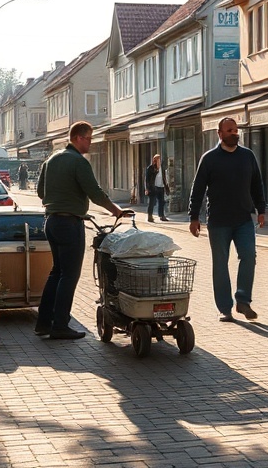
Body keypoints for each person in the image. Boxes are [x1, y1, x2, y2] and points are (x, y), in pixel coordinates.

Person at [36, 121, 126, 340]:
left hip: (51, 222)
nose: (91, 142)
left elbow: (40, 192)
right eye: (89, 138)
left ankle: (43, 322)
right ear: (77, 138)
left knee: (56, 272)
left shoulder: (51, 160)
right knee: (69, 275)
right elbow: (94, 193)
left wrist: (60, 199)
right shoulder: (78, 161)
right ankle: (60, 326)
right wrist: (117, 211)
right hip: (69, 224)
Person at [188, 118, 266, 322]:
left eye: (236, 130)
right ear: (219, 133)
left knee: (249, 256)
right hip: (218, 222)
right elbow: (197, 189)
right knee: (220, 264)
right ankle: (225, 308)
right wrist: (194, 217)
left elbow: (257, 184)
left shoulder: (247, 156)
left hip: (243, 220)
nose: (235, 133)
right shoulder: (209, 159)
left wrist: (261, 209)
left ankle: (243, 301)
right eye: (230, 130)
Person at [145, 153, 169, 222]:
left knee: (162, 202)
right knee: (152, 202)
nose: (159, 162)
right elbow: (147, 179)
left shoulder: (162, 168)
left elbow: (164, 178)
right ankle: (150, 216)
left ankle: (162, 216)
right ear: (154, 161)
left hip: (161, 186)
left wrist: (166, 186)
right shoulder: (151, 168)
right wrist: (147, 188)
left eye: (160, 160)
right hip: (153, 187)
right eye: (157, 160)